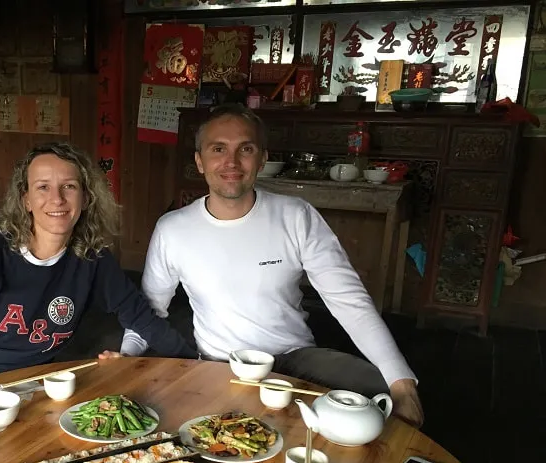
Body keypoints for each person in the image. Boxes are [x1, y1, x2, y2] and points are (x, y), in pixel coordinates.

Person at [115, 104, 424, 427]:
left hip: (296, 360)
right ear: (199, 161)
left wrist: (402, 384)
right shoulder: (173, 229)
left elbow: (349, 301)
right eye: (218, 149)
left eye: (245, 149)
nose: (231, 162)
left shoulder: (295, 216)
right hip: (221, 365)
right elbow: (149, 307)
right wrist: (126, 356)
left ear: (262, 159)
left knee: (378, 396)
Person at [0, 142, 197, 405]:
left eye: (69, 186)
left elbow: (142, 318)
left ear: (86, 198)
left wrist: (194, 365)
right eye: (43, 187)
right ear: (25, 200)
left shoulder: (92, 258)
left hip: (28, 389)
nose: (57, 199)